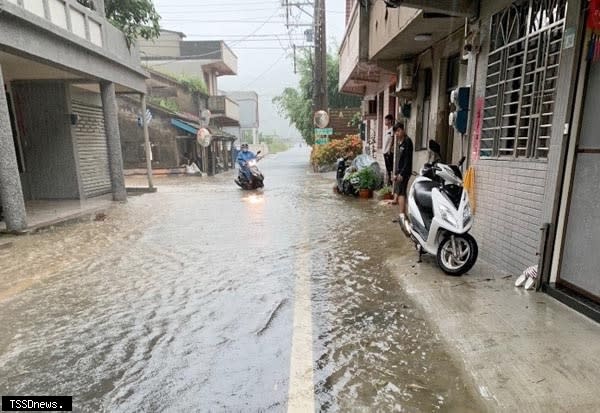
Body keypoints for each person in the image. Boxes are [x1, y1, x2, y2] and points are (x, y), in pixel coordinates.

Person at [392, 122, 413, 223]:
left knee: (401, 193)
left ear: (403, 130)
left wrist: (402, 174)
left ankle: (402, 217)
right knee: (400, 192)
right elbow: (399, 159)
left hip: (405, 172)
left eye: (398, 131)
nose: (397, 133)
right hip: (400, 172)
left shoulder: (407, 142)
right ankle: (403, 215)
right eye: (396, 132)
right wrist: (396, 173)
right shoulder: (400, 142)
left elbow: (407, 160)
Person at [382, 114, 395, 187]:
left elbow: (393, 139)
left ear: (390, 121)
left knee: (391, 168)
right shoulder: (387, 130)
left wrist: (390, 149)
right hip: (385, 151)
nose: (385, 122)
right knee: (388, 168)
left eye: (386, 120)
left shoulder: (392, 129)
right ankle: (389, 183)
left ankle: (392, 183)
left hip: (388, 152)